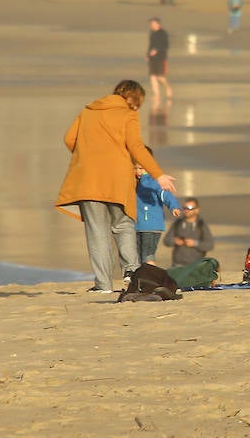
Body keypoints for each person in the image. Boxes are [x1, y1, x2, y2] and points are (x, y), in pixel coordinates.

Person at [55, 79, 176, 293]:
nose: (137, 106)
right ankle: (131, 272)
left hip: (87, 180)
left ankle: (103, 285)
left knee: (97, 232)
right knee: (123, 226)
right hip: (117, 179)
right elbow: (136, 147)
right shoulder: (128, 114)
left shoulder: (88, 111)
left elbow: (68, 139)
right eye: (138, 102)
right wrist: (158, 175)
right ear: (132, 97)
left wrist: (89, 155)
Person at [134, 164, 181, 265]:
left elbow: (165, 194)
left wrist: (174, 207)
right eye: (135, 168)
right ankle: (142, 276)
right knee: (137, 255)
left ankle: (150, 275)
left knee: (147, 255)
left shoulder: (153, 181)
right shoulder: (133, 181)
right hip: (137, 225)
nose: (138, 171)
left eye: (141, 168)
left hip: (151, 225)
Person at [162, 196, 214, 267]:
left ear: (197, 210)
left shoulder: (201, 225)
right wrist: (175, 241)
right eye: (184, 208)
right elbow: (166, 240)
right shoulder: (178, 223)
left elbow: (210, 245)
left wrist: (195, 243)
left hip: (196, 266)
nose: (186, 210)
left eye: (189, 208)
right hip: (177, 265)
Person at [146, 18, 172, 103]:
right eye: (151, 24)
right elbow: (150, 45)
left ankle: (168, 88)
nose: (152, 26)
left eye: (154, 24)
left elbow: (166, 45)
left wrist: (156, 50)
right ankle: (156, 95)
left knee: (160, 77)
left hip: (161, 58)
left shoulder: (163, 34)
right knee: (152, 77)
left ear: (158, 24)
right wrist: (147, 55)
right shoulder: (152, 34)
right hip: (152, 59)